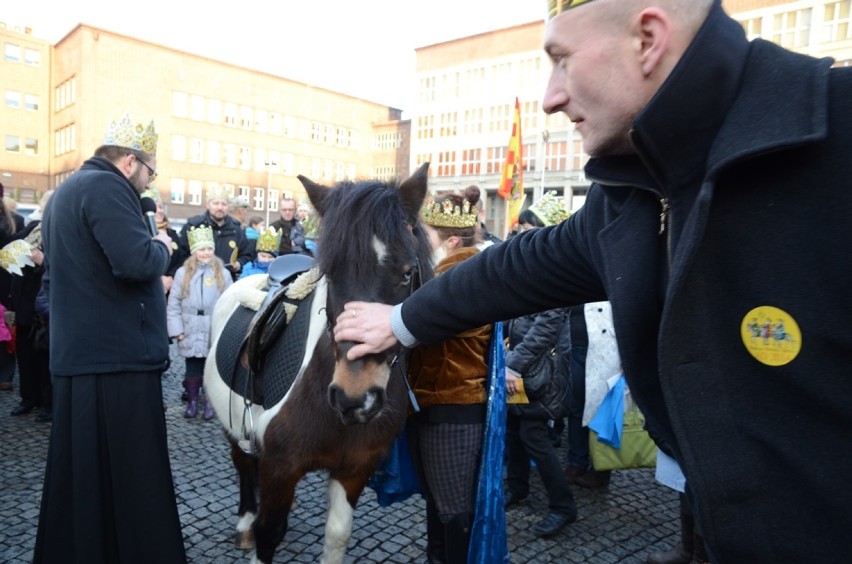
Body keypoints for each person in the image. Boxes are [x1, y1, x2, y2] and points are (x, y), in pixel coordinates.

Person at [332, 1, 852, 561]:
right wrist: (400, 320)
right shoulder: (627, 195)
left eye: (562, 59)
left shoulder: (838, 133)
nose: (551, 97)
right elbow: (515, 268)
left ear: (647, 39)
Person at [35, 112, 186, 562]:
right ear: (129, 162)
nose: (147, 182)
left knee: (83, 481)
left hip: (81, 359)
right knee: (132, 478)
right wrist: (162, 243)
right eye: (150, 171)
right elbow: (136, 262)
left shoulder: (65, 193)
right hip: (116, 361)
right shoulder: (107, 188)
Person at [407, 187, 491, 564]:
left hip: (453, 408)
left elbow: (424, 325)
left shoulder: (461, 276)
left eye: (426, 236)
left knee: (454, 507)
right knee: (439, 503)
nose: (419, 243)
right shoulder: (443, 273)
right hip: (435, 404)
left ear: (452, 240)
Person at [167, 224, 232, 420]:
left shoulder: (223, 273)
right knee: (193, 368)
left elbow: (230, 302)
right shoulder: (183, 273)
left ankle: (210, 402)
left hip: (213, 326)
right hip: (190, 327)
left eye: (209, 249)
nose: (206, 253)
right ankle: (193, 401)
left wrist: (225, 330)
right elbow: (174, 303)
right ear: (195, 251)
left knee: (210, 368)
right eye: (202, 249)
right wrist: (177, 329)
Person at [6, 190, 54, 421]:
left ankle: (49, 403)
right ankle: (29, 398)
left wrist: (43, 261)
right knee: (25, 357)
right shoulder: (32, 230)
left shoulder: (61, 233)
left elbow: (66, 270)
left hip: (45, 307)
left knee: (45, 358)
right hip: (25, 304)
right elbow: (10, 261)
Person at [174, 186, 254, 281]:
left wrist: (239, 263)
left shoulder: (236, 229)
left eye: (224, 204)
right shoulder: (194, 225)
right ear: (208, 205)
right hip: (197, 280)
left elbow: (247, 254)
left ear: (228, 206)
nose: (220, 207)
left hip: (226, 281)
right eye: (216, 203)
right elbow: (181, 254)